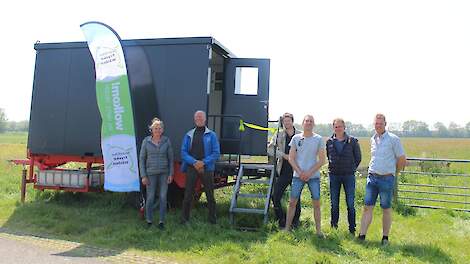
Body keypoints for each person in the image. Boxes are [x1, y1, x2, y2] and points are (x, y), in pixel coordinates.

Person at [358, 113, 406, 245]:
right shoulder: (372, 139)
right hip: (372, 178)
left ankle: (385, 238)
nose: (378, 126)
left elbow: (402, 159)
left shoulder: (393, 139)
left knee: (386, 208)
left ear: (385, 124)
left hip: (386, 179)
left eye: (380, 123)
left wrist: (393, 172)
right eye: (376, 124)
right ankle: (362, 235)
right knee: (367, 207)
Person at [284, 115, 326, 236]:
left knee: (316, 204)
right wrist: (300, 172)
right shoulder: (296, 138)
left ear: (314, 124)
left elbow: (322, 160)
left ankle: (318, 231)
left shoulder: (318, 139)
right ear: (302, 123)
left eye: (311, 121)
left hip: (313, 177)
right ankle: (287, 228)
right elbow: (291, 158)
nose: (308, 123)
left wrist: (309, 173)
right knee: (292, 202)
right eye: (306, 121)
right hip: (298, 176)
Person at [181, 110, 220, 224]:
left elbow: (216, 153)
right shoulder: (189, 134)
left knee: (210, 195)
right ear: (194, 119)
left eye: (201, 117)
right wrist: (194, 162)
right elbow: (183, 153)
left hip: (206, 168)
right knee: (188, 194)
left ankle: (212, 220)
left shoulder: (212, 135)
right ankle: (184, 219)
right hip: (191, 167)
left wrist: (203, 162)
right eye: (197, 117)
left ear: (205, 119)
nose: (199, 119)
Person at [326, 118, 361, 234]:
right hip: (334, 176)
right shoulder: (329, 142)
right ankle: (334, 227)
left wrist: (351, 168)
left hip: (348, 176)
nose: (338, 128)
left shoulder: (352, 141)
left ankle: (352, 229)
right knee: (334, 203)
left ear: (344, 127)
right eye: (336, 127)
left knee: (350, 203)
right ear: (333, 128)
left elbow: (358, 158)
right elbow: (328, 156)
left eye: (340, 126)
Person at [139, 118, 174, 229]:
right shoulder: (146, 141)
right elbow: (142, 159)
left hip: (164, 173)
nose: (157, 130)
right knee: (150, 197)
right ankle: (149, 220)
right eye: (155, 128)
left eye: (159, 128)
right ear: (151, 130)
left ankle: (161, 221)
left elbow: (171, 159)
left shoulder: (166, 141)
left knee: (163, 197)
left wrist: (171, 174)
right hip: (150, 174)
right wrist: (143, 175)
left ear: (162, 130)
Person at [268, 112, 301, 228]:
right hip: (283, 170)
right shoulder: (278, 135)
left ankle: (295, 222)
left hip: (296, 171)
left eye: (288, 120)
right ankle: (281, 220)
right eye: (284, 121)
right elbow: (270, 150)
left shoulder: (300, 135)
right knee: (275, 196)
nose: (286, 123)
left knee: (296, 198)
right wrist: (283, 155)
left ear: (292, 121)